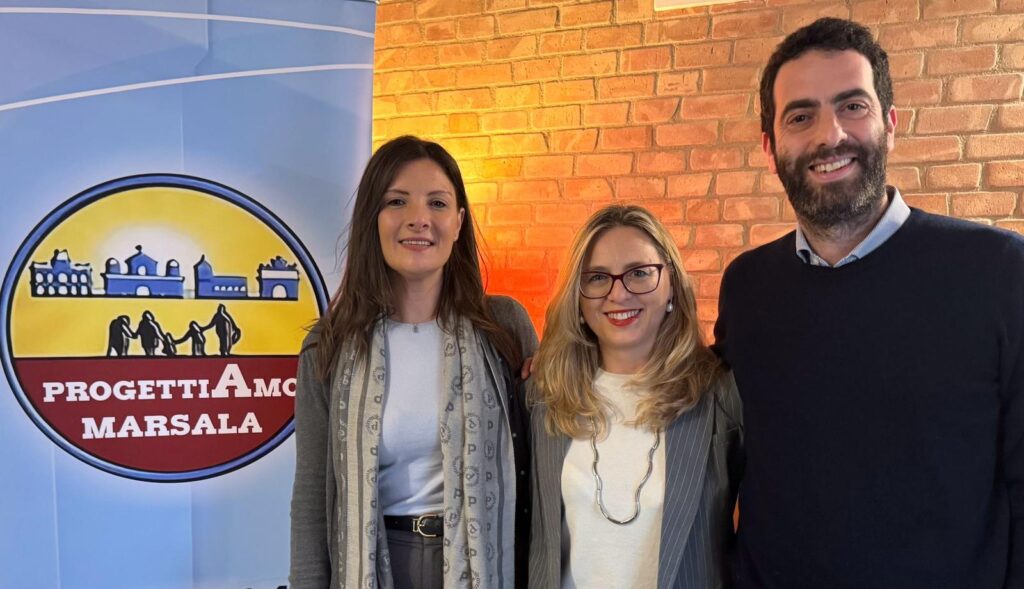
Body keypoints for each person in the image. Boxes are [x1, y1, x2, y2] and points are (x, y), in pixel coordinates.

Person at [714, 17, 1024, 589]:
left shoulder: (999, 271)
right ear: (770, 147)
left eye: (852, 106)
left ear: (890, 123)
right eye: (800, 116)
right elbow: (715, 443)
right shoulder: (747, 286)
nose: (829, 135)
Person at [290, 135, 538, 589]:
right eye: (397, 201)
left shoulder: (504, 327)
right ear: (372, 219)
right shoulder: (330, 345)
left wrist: (568, 371)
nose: (418, 218)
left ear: (458, 222)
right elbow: (311, 496)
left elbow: (542, 462)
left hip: (489, 564)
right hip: (375, 564)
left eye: (437, 203)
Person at [529, 205, 743, 589]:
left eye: (640, 273)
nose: (618, 293)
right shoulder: (544, 394)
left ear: (671, 284)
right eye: (597, 278)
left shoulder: (719, 395)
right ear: (578, 298)